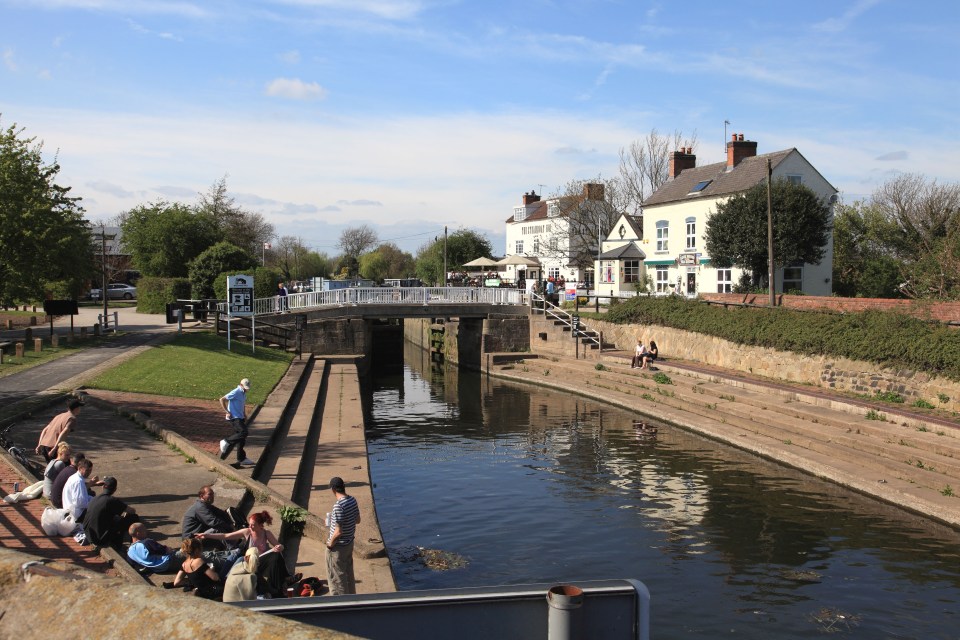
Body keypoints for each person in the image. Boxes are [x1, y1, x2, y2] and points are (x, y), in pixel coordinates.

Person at [197, 511, 295, 598]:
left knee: (276, 556)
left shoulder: (266, 533)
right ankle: (283, 582)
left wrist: (279, 547)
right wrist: (207, 535)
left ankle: (281, 583)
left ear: (261, 525)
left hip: (261, 560)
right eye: (249, 524)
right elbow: (226, 536)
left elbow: (280, 546)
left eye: (253, 525)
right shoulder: (247, 532)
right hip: (250, 561)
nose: (250, 527)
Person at [325, 476, 361, 596]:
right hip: (349, 543)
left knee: (337, 579)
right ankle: (352, 598)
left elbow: (338, 532)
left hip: (338, 547)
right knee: (348, 574)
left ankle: (341, 603)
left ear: (333, 490)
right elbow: (358, 520)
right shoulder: (352, 500)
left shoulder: (338, 506)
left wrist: (330, 544)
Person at [83, 476, 139, 547]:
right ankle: (133, 544)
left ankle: (117, 541)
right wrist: (126, 514)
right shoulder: (112, 500)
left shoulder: (95, 498)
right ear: (115, 489)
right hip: (100, 539)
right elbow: (132, 511)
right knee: (134, 517)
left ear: (103, 487)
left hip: (88, 535)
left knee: (115, 519)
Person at [219, 378, 255, 467]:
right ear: (241, 385)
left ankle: (241, 458)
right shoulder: (236, 391)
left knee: (241, 439)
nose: (246, 389)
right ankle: (226, 441)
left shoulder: (243, 393)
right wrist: (227, 411)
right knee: (244, 432)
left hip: (240, 417)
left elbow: (242, 404)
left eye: (247, 388)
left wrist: (244, 414)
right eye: (245, 388)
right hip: (234, 418)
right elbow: (222, 399)